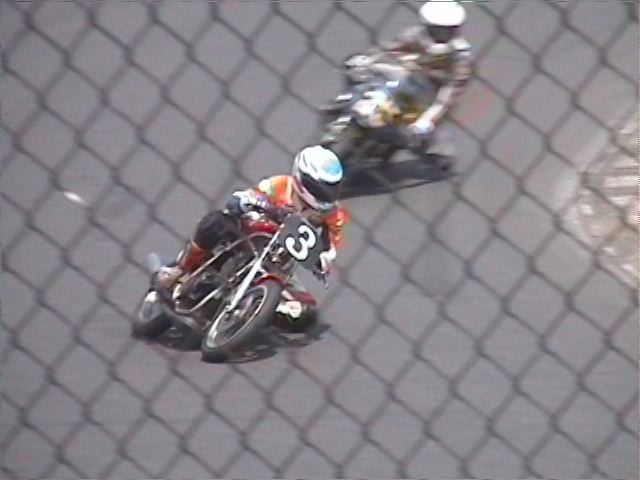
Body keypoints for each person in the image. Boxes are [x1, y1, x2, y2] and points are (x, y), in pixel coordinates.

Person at [155, 145, 349, 323]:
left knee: (306, 313)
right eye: (319, 188)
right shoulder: (280, 184)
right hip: (248, 236)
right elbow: (243, 198)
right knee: (214, 222)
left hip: (279, 262)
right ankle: (181, 269)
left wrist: (322, 262)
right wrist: (255, 203)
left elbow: (330, 249)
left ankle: (254, 310)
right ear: (301, 176)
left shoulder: (335, 215)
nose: (325, 194)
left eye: (330, 189)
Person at [322, 0, 473, 163]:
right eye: (436, 30)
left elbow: (450, 95)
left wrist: (427, 122)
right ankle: (348, 102)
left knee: (433, 150)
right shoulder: (415, 35)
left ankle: (428, 145)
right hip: (407, 79)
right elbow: (389, 50)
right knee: (357, 68)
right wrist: (367, 60)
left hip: (429, 98)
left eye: (447, 31)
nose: (441, 36)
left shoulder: (461, 57)